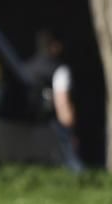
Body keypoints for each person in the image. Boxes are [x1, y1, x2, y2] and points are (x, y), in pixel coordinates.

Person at [23, 29, 83, 171]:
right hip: (50, 128)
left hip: (25, 127)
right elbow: (62, 103)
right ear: (56, 46)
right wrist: (70, 132)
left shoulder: (26, 68)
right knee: (73, 168)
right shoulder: (59, 70)